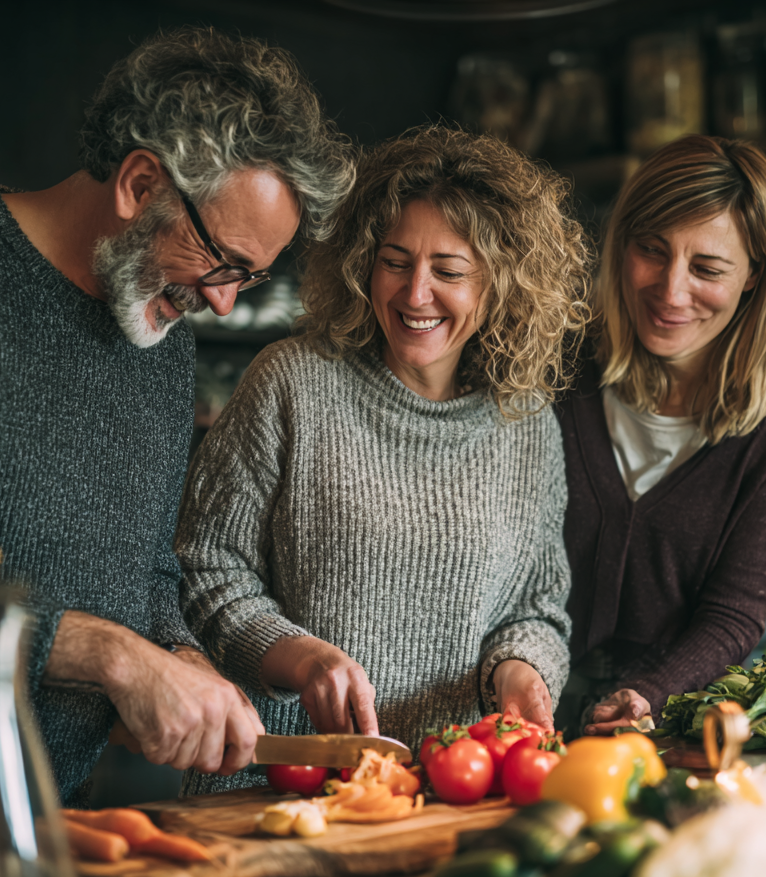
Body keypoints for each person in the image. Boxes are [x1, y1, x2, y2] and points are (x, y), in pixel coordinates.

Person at [0, 27, 354, 815]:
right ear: (142, 182)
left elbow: (146, 571)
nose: (224, 301)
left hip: (39, 815)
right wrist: (116, 659)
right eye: (222, 263)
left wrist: (183, 658)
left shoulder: (156, 340)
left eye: (249, 279)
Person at [174, 125, 593, 791]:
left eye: (448, 271)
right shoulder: (292, 384)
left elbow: (536, 609)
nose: (415, 293)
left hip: (455, 787)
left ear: (500, 286)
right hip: (282, 788)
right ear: (363, 261)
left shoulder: (528, 423)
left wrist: (519, 670)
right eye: (395, 261)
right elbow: (202, 572)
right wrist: (299, 657)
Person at [555, 134, 766, 736]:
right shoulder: (561, 363)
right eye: (652, 250)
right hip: (512, 701)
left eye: (707, 269)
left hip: (661, 719)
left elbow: (733, 612)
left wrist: (646, 694)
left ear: (755, 276)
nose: (671, 291)